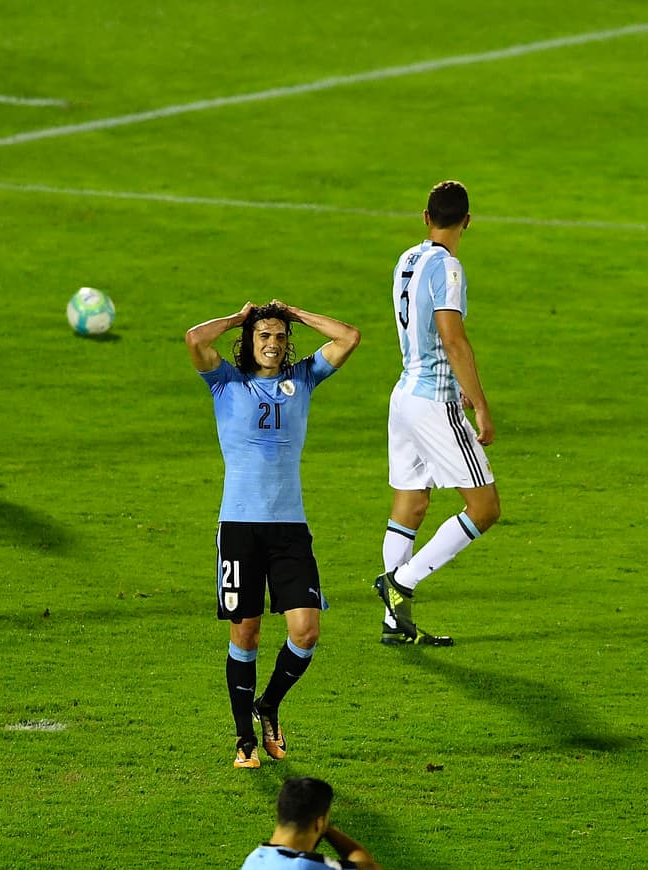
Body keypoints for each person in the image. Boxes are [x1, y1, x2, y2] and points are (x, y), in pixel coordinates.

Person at [186, 300, 360, 767]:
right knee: (246, 634)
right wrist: (238, 319)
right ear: (249, 341)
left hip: (289, 528)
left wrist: (297, 314)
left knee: (305, 632)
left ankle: (269, 705)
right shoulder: (225, 383)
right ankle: (244, 737)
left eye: (280, 337)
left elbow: (348, 337)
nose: (273, 344)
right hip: (239, 527)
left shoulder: (302, 379)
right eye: (263, 336)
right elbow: (196, 339)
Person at [374, 180, 500, 647]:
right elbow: (452, 337)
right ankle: (401, 583)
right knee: (484, 508)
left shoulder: (407, 259)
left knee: (411, 503)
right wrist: (480, 403)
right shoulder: (448, 268)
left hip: (404, 396)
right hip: (433, 403)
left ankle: (394, 623)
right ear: (468, 220)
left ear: (425, 217)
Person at [240, 777, 380, 869]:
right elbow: (370, 867)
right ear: (319, 823)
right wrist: (327, 828)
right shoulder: (309, 865)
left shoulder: (253, 860)